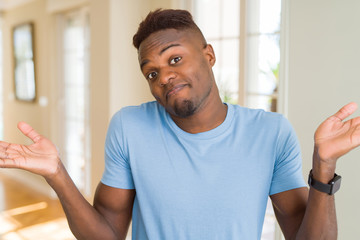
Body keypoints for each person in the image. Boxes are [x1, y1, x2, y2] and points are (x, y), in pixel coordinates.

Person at [0, 9, 359, 240]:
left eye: (175, 58)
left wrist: (324, 170)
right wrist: (57, 175)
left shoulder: (271, 132)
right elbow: (107, 234)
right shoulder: (129, 127)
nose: (165, 77)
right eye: (152, 72)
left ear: (209, 55)